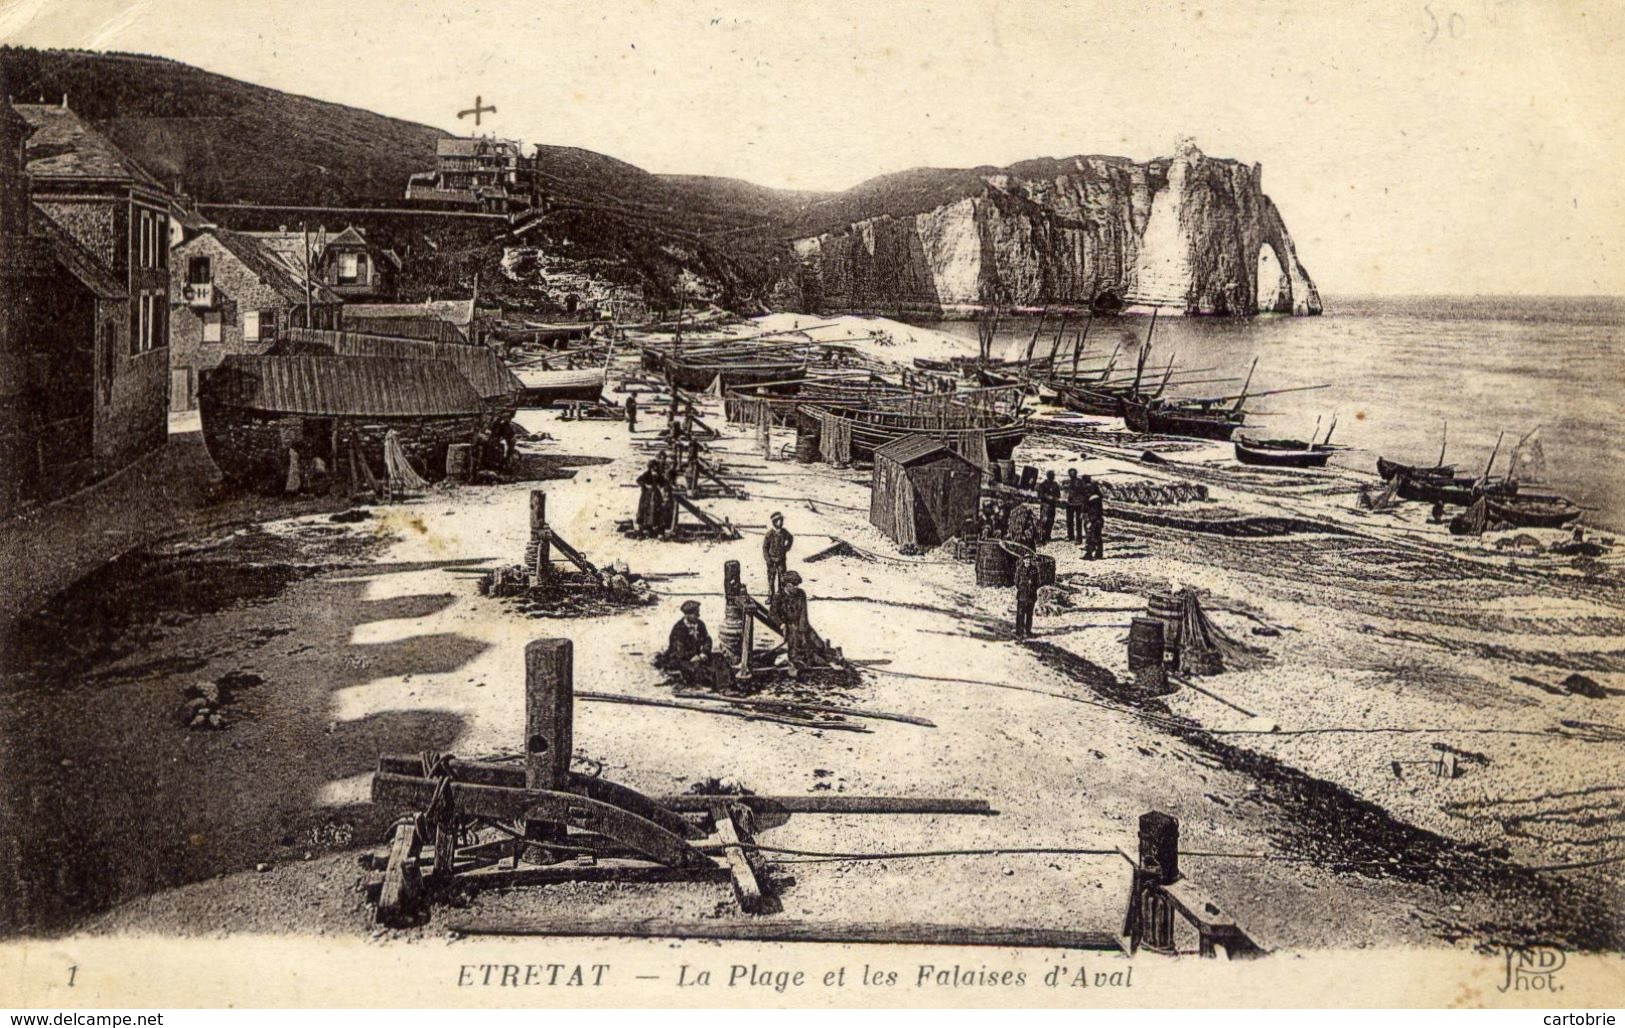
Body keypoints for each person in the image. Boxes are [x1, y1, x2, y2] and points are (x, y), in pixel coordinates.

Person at [655, 600, 726, 688]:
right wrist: (696, 656)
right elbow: (679, 652)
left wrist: (704, 652)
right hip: (682, 660)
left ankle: (729, 685)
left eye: (698, 613)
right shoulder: (679, 629)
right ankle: (721, 686)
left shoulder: (700, 624)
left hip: (698, 657)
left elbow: (707, 639)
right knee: (702, 671)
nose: (698, 616)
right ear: (687, 615)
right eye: (695, 614)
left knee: (719, 657)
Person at [763, 511, 793, 599]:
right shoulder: (770, 534)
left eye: (781, 520)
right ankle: (770, 596)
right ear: (774, 522)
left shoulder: (784, 532)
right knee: (771, 579)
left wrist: (786, 548)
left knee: (782, 578)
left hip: (781, 559)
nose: (780, 522)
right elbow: (765, 547)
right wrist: (768, 559)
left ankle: (781, 595)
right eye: (778, 521)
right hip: (771, 560)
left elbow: (790, 538)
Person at [1014, 553, 1042, 639]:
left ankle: (1028, 631)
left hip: (1031, 595)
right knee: (1020, 614)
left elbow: (1038, 582)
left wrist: (1032, 587)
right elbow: (1016, 581)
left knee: (1029, 615)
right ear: (1023, 560)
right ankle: (1019, 632)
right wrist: (1022, 587)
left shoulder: (1034, 569)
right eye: (1026, 559)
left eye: (1029, 559)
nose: (1028, 561)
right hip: (1022, 595)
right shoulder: (1020, 569)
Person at [635, 459, 665, 537]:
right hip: (646, 495)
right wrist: (645, 485)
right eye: (654, 467)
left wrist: (661, 486)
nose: (655, 468)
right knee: (644, 510)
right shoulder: (647, 474)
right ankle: (645, 527)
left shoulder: (658, 474)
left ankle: (653, 526)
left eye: (656, 467)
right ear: (651, 467)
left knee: (655, 510)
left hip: (655, 495)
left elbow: (663, 482)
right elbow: (638, 480)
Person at [1082, 475, 1105, 559]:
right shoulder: (1097, 499)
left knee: (1091, 536)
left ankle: (1089, 553)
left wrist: (1090, 520)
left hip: (1093, 519)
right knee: (1097, 536)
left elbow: (1091, 511)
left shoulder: (1092, 500)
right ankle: (1099, 553)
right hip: (1098, 519)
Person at [1037, 470, 1061, 545]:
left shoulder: (1055, 485)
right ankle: (1041, 537)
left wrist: (1055, 498)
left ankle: (1047, 536)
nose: (1052, 477)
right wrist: (1048, 497)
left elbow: (1058, 495)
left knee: (1051, 521)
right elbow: (1040, 495)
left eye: (1052, 475)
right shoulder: (1043, 484)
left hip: (1052, 505)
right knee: (1044, 521)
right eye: (1050, 475)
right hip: (1045, 505)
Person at [1063, 468, 1086, 542]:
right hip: (1070, 503)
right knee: (1069, 521)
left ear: (1075, 474)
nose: (1071, 475)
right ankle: (1070, 536)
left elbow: (1083, 492)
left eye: (1072, 473)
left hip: (1078, 504)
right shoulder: (1069, 482)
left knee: (1078, 521)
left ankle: (1079, 538)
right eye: (1070, 473)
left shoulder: (1080, 482)